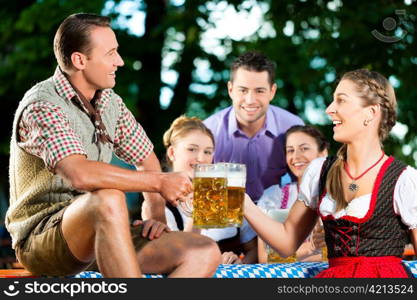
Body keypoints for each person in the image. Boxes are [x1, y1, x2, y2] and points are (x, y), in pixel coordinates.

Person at [5, 13, 221, 278]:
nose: (119, 61)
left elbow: (146, 158)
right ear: (79, 60)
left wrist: (156, 215)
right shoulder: (42, 105)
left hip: (104, 232)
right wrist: (160, 182)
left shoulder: (109, 101)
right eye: (111, 53)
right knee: (107, 197)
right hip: (43, 240)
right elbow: (80, 174)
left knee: (204, 251)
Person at [243, 69, 417, 277]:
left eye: (341, 100)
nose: (329, 109)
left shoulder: (404, 180)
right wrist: (242, 202)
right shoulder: (320, 171)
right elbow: (287, 242)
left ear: (370, 113)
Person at [204, 51, 304, 203]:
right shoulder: (208, 131)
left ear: (272, 91)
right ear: (230, 90)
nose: (250, 100)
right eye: (243, 90)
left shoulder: (292, 127)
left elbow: (305, 180)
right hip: (222, 213)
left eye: (259, 91)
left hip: (274, 213)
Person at [162, 115, 257, 264]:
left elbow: (254, 250)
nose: (201, 158)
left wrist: (239, 265)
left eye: (207, 152)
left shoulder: (229, 198)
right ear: (172, 153)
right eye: (192, 149)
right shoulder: (162, 207)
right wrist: (198, 212)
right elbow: (174, 259)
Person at [257, 125, 328, 263]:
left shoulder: (338, 194)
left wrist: (290, 255)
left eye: (304, 148)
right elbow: (264, 258)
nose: (295, 156)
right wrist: (310, 249)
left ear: (323, 153)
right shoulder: (273, 197)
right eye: (290, 150)